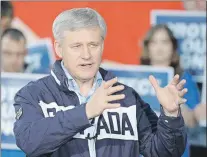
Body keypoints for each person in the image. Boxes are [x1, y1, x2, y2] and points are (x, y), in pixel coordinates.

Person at [13, 8, 187, 157]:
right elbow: (29, 141)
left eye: (93, 45)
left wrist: (171, 116)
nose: (86, 54)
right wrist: (86, 112)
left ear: (102, 46)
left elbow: (164, 152)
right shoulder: (34, 94)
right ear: (59, 49)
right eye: (76, 46)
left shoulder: (126, 97)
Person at [140, 24, 205, 157]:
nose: (159, 47)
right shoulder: (138, 76)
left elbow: (192, 122)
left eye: (164, 42)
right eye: (154, 42)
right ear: (148, 47)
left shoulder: (183, 78)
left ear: (173, 46)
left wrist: (175, 108)